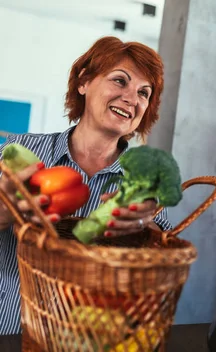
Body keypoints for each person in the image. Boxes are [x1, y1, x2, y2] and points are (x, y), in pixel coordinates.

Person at [0, 36, 172, 335]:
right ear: (84, 82)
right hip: (10, 327)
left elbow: (163, 266)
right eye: (120, 81)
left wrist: (147, 231)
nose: (132, 99)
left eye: (144, 93)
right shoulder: (20, 151)